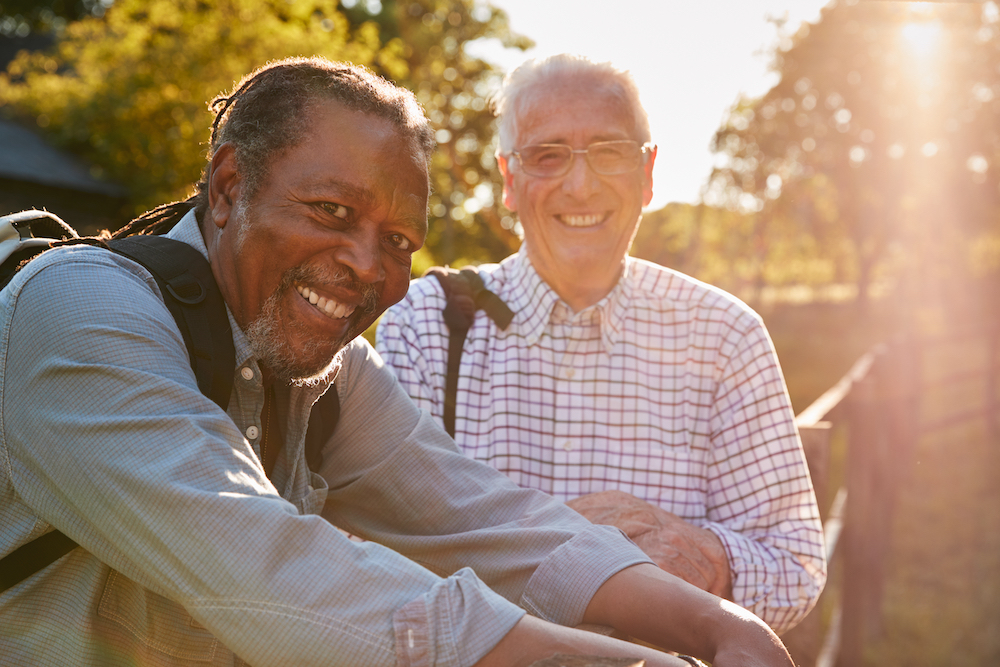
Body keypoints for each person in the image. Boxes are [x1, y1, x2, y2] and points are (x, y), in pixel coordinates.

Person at [0, 57, 794, 667]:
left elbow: (483, 518)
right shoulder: (78, 312)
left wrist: (720, 624)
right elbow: (263, 565)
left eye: (398, 242)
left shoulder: (328, 376)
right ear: (229, 185)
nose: (364, 264)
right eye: (332, 211)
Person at [377, 54, 827, 634]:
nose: (581, 184)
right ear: (510, 180)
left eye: (610, 152)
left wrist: (699, 554)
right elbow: (377, 550)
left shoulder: (725, 336)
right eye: (548, 154)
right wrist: (567, 561)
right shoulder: (425, 325)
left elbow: (796, 567)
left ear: (648, 174)